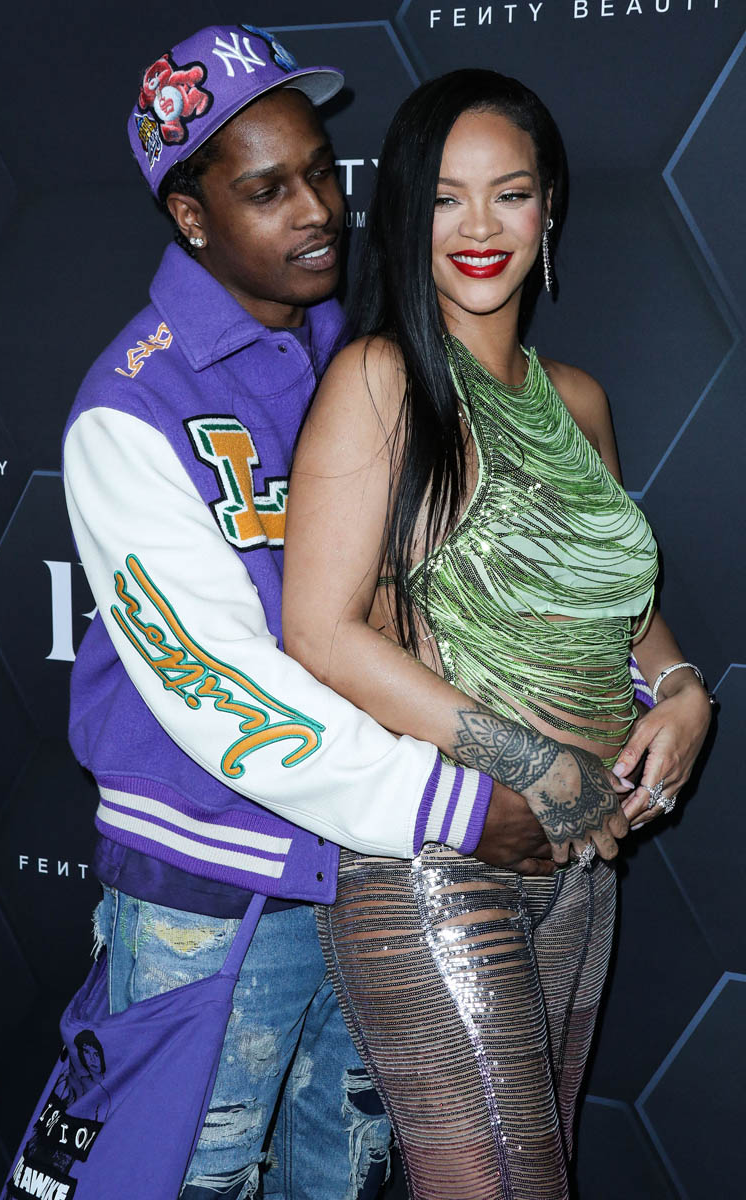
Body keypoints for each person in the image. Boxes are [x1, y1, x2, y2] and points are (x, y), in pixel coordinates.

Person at [46, 26, 572, 1200]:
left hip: (386, 871)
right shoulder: (132, 406)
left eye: (321, 173)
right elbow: (216, 684)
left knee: (347, 1177)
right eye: (266, 190)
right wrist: (454, 803)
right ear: (191, 217)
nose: (318, 211)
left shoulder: (368, 347)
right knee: (194, 1177)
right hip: (214, 886)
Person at [282, 69, 713, 1199]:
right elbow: (318, 632)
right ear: (405, 212)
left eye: (509, 193)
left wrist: (680, 689)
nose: (479, 228)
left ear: (548, 208)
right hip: (436, 863)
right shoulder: (378, 379)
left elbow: (608, 599)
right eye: (445, 198)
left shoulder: (579, 400)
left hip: (581, 865)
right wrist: (531, 764)